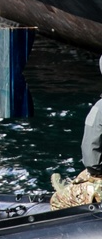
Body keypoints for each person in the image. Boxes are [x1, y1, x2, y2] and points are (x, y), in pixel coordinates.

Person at [50, 56, 102, 210]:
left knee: (57, 201)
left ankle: (73, 193)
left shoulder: (100, 109)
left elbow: (92, 160)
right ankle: (76, 186)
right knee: (84, 174)